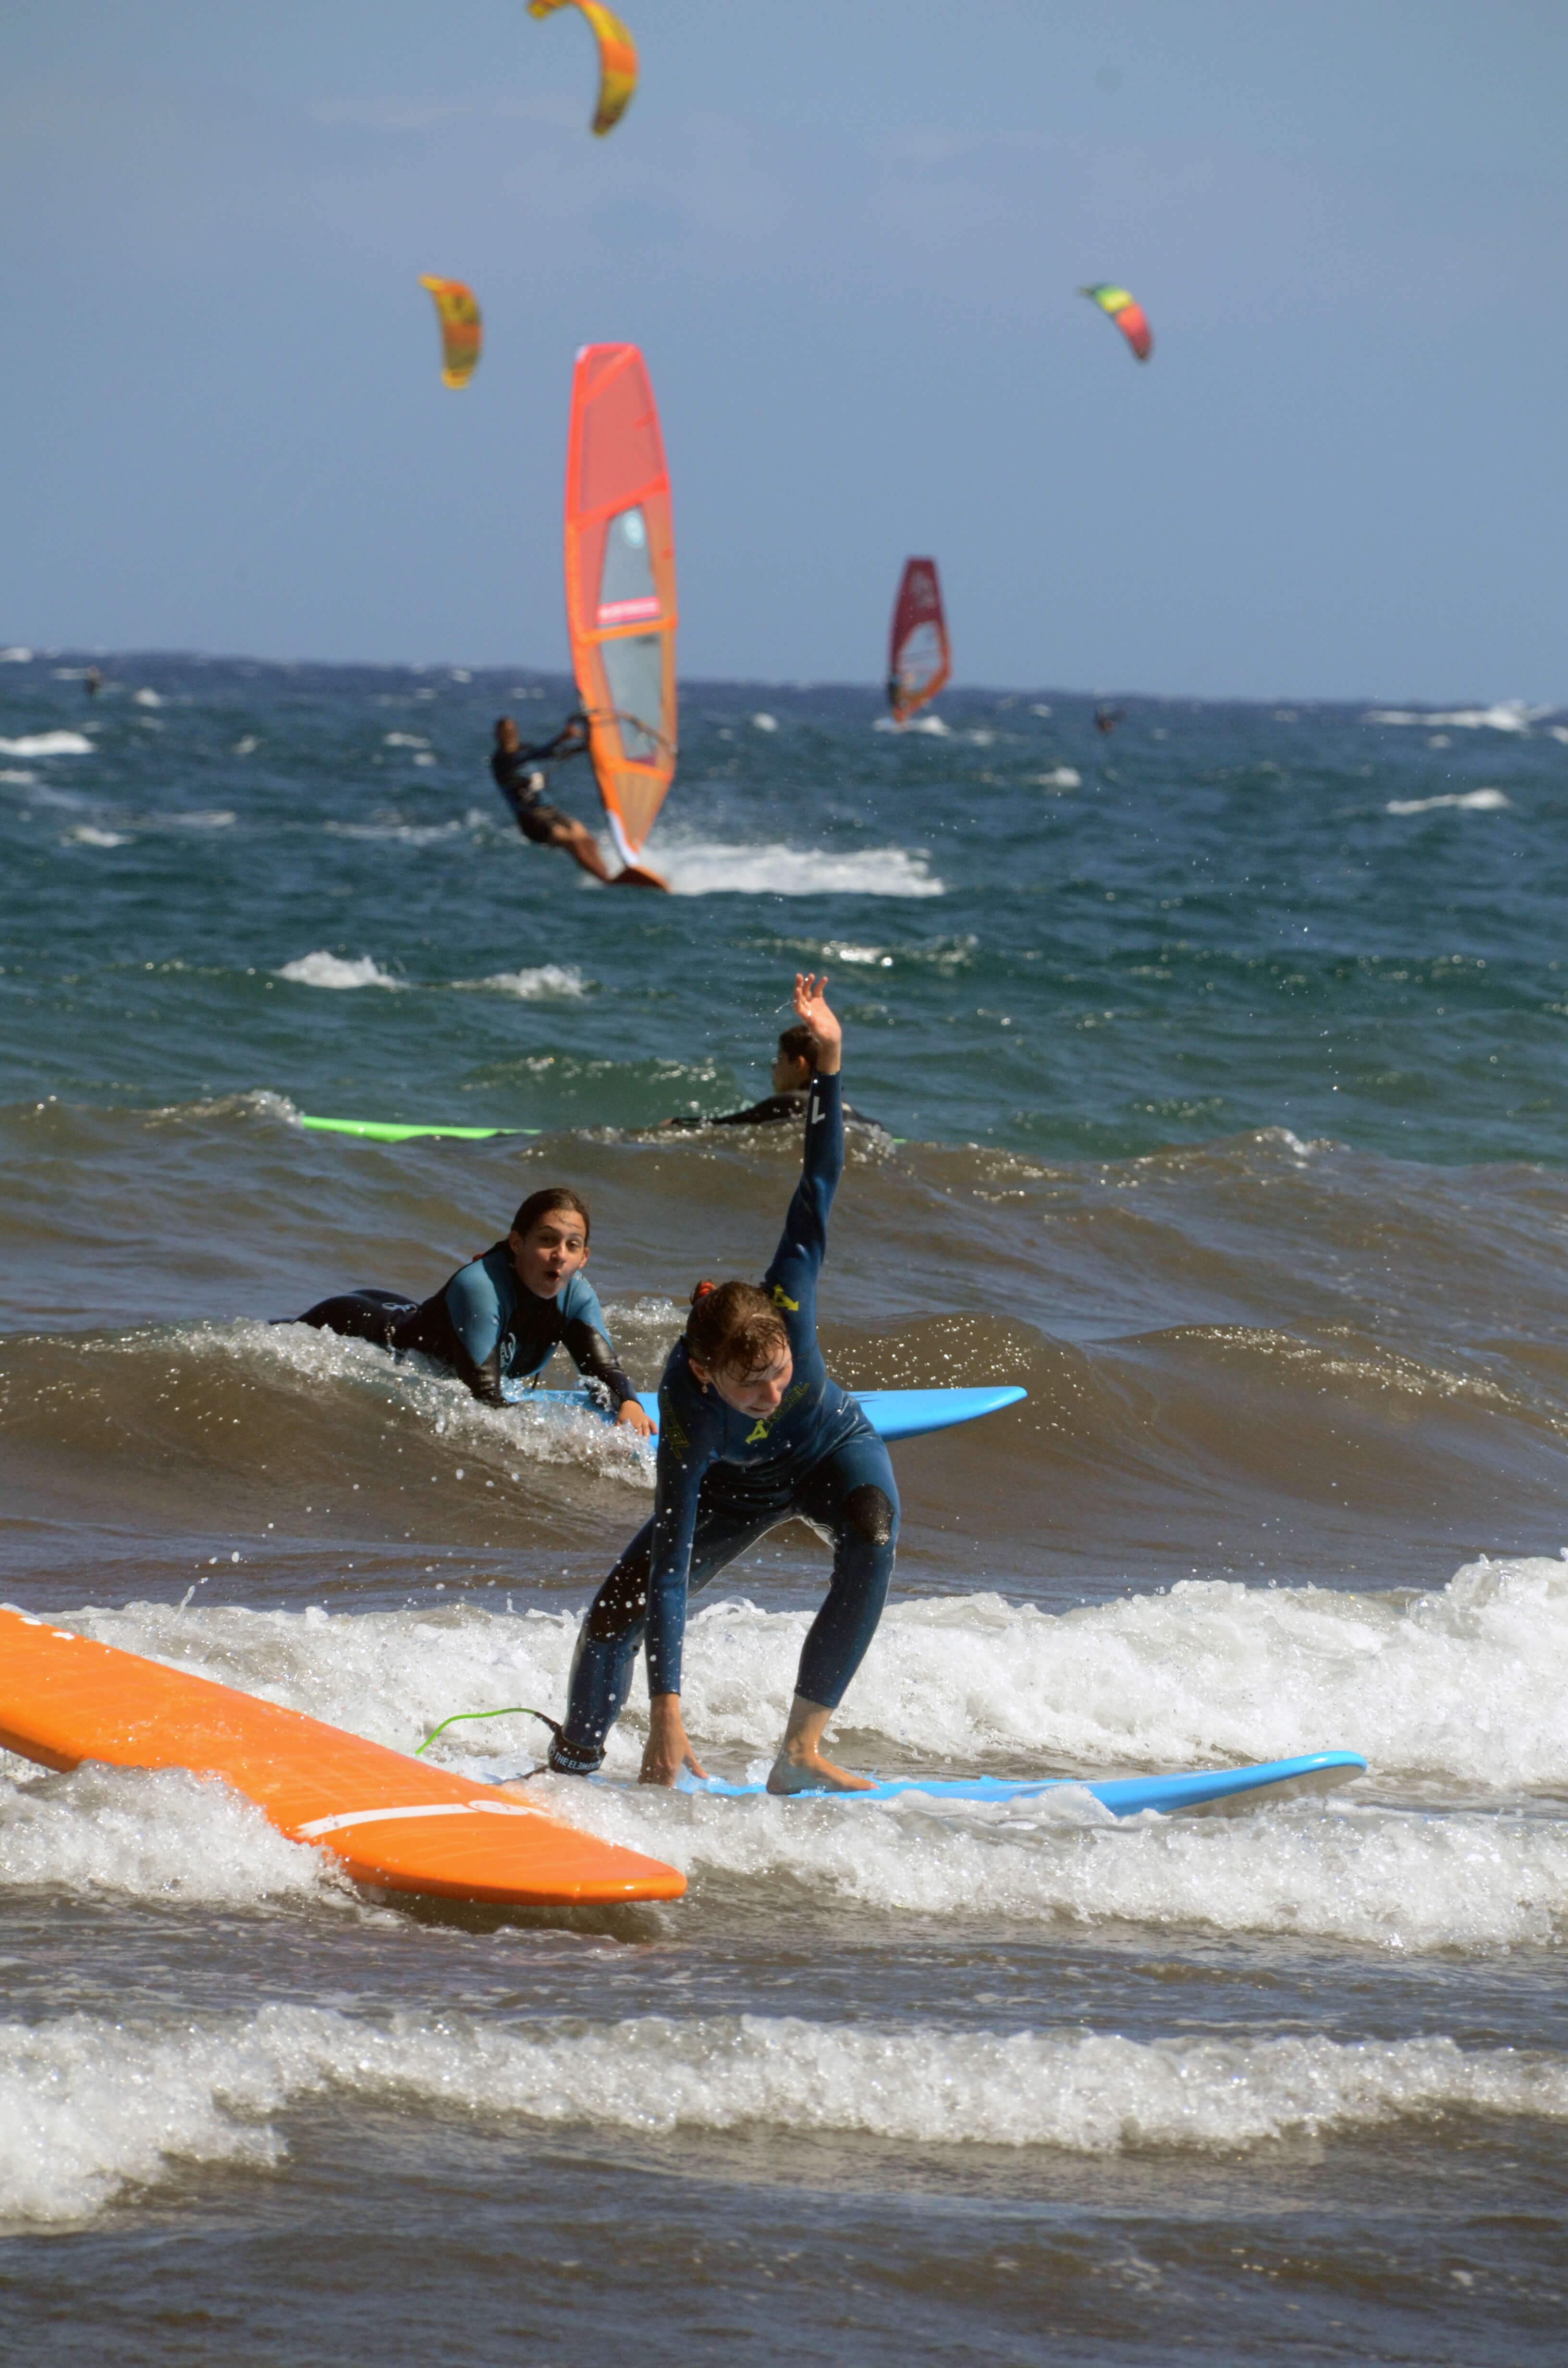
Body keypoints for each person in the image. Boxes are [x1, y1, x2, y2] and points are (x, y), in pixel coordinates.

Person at [548, 974, 898, 1793]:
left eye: (779, 1373)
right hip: (735, 1489)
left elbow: (817, 1179)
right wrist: (667, 1707)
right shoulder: (690, 1416)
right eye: (752, 1388)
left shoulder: (789, 1292)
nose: (771, 1394)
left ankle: (799, 1753)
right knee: (611, 1620)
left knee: (873, 1534)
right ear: (705, 1374)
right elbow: (671, 1566)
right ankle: (572, 1769)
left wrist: (831, 1061)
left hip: (831, 1452)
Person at [294, 1186, 652, 1434]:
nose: (560, 1254)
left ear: (584, 1258)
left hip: (400, 1307)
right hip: (357, 1326)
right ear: (517, 1243)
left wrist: (629, 1403)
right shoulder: (480, 1288)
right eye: (547, 1240)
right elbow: (485, 1400)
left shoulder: (577, 1296)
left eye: (572, 1245)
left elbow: (604, 1370)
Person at [662, 1020, 884, 1132]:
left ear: (798, 1064)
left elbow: (725, 1126)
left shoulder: (794, 1102)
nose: (773, 1069)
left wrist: (677, 1123)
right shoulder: (852, 1114)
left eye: (779, 1060)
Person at [490, 713, 613, 882]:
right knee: (574, 844)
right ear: (498, 736)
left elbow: (553, 753)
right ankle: (607, 880)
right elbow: (540, 754)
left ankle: (610, 873)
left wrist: (586, 745)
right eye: (506, 732)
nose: (510, 734)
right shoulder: (501, 760)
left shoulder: (524, 749)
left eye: (512, 730)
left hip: (550, 810)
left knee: (587, 840)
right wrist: (563, 737)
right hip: (531, 819)